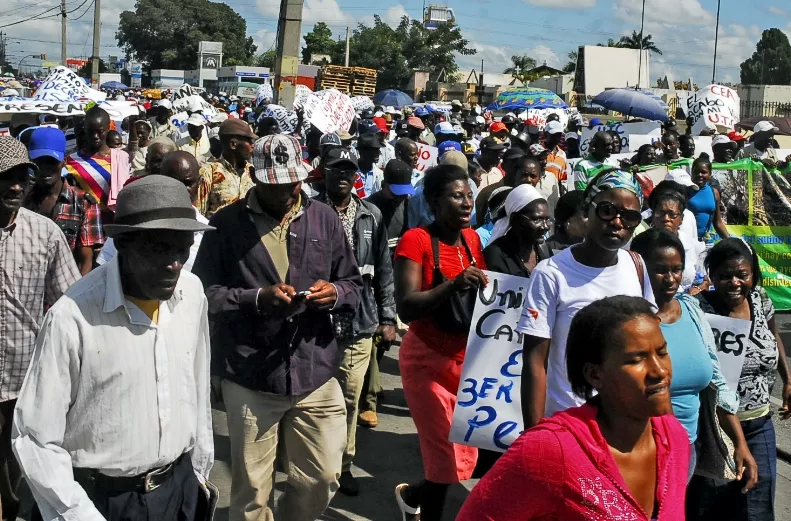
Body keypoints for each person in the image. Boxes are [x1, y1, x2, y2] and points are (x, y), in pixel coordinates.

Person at [14, 174, 215, 521]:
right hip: (101, 503)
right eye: (159, 248)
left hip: (178, 490)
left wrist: (197, 475)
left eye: (182, 248)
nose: (174, 264)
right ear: (122, 244)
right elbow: (35, 439)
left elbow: (197, 390)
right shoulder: (72, 318)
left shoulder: (192, 294)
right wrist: (80, 515)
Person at [192, 134, 362, 521]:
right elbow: (203, 293)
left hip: (315, 368)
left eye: (292, 182)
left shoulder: (324, 218)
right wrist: (255, 299)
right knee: (252, 490)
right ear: (255, 177)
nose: (286, 191)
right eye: (275, 184)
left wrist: (333, 293)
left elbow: (352, 283)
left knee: (322, 477)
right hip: (251, 373)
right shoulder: (227, 224)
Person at [456, 296, 689, 521]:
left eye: (661, 353)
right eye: (636, 360)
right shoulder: (550, 451)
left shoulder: (674, 438)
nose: (659, 371)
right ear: (594, 374)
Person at [518, 169, 654, 428]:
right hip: (568, 424)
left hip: (624, 423)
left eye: (629, 217)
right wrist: (533, 435)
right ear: (586, 211)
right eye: (607, 210)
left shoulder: (636, 265)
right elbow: (535, 362)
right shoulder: (551, 273)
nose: (617, 222)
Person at [393, 163, 487, 521]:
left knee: (467, 454)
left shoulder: (474, 240)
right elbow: (407, 306)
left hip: (466, 361)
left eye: (468, 196)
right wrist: (453, 284)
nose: (466, 203)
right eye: (456, 196)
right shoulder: (415, 240)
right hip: (427, 362)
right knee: (444, 458)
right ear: (434, 201)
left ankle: (412, 496)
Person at [630, 230, 757, 485]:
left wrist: (739, 443)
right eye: (660, 270)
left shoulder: (691, 310)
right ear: (637, 268)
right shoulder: (627, 321)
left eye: (676, 269)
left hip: (687, 451)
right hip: (638, 454)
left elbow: (717, 382)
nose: (670, 279)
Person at [0, 137, 79, 521]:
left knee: (21, 481)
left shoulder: (46, 234)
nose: (15, 186)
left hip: (24, 381)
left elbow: (71, 304)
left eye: (22, 177)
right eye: (5, 178)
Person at [688, 238, 791, 521]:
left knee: (758, 506)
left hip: (759, 425)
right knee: (713, 507)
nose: (734, 282)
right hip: (715, 429)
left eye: (742, 275)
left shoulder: (761, 299)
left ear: (753, 274)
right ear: (712, 276)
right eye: (724, 276)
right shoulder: (699, 311)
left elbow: (774, 337)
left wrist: (788, 379)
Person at [314, 147, 397, 496]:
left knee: (349, 397)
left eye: (349, 170)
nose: (344, 176)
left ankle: (343, 464)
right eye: (336, 170)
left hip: (360, 321)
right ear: (324, 173)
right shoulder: (309, 211)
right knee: (313, 397)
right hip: (316, 322)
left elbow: (384, 269)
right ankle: (312, 462)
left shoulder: (371, 215)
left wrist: (388, 316)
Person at [97, 151, 208, 272]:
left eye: (187, 183)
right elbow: (101, 272)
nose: (180, 189)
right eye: (172, 182)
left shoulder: (207, 233)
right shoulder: (132, 225)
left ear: (199, 183)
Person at [24, 127, 105, 276]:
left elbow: (85, 261)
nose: (45, 169)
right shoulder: (22, 200)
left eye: (51, 162)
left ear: (64, 161)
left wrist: (72, 296)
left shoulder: (83, 204)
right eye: (39, 162)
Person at [65, 106, 132, 214]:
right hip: (86, 220)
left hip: (116, 219)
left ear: (108, 128)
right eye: (91, 131)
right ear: (85, 129)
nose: (95, 136)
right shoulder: (72, 161)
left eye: (100, 131)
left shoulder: (121, 158)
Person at [645, 178, 702, 291]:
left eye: (672, 215)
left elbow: (702, 277)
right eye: (660, 213)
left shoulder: (691, 245)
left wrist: (698, 288)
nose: (666, 219)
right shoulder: (642, 244)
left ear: (681, 219)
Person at [484, 183, 551, 278]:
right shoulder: (495, 255)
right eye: (537, 220)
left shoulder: (544, 250)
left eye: (547, 219)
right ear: (514, 219)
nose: (545, 226)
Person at [196, 118, 256, 217]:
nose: (252, 145)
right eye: (249, 141)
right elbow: (199, 213)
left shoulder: (253, 172)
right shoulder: (209, 172)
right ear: (233, 144)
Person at [474, 148, 538, 228]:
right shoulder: (488, 193)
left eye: (521, 163)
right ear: (503, 166)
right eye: (514, 162)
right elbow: (478, 222)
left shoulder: (532, 194)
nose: (518, 166)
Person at [689, 154, 729, 244]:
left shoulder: (714, 193)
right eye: (696, 171)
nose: (699, 175)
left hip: (706, 242)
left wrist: (730, 241)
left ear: (710, 174)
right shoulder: (685, 191)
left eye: (703, 172)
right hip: (688, 243)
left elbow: (717, 223)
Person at [354, 133, 384, 198]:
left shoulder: (380, 175)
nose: (378, 153)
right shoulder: (351, 171)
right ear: (362, 152)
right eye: (374, 150)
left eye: (378, 149)